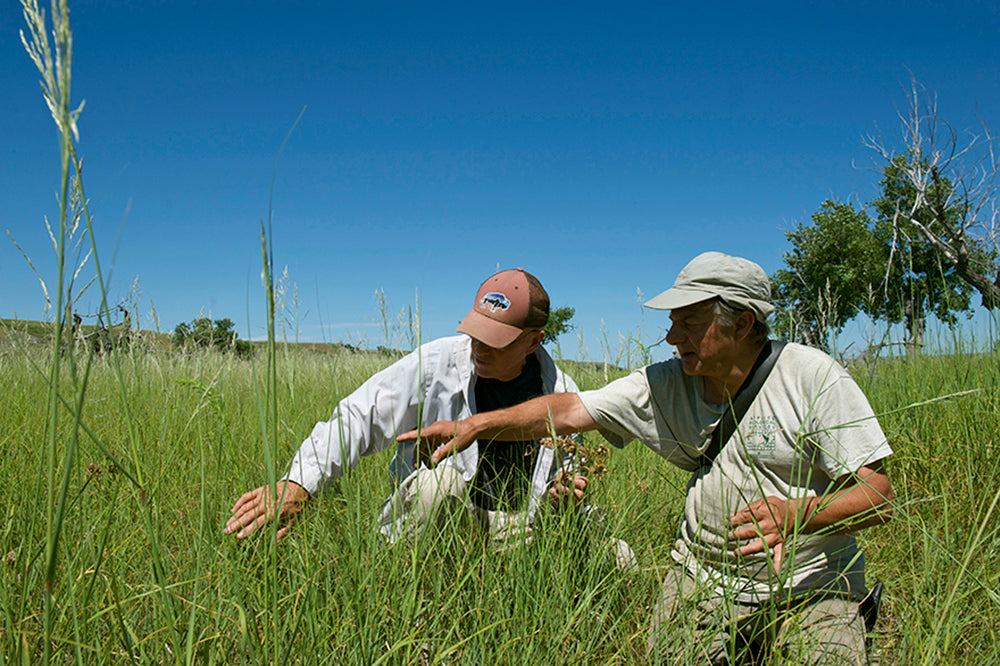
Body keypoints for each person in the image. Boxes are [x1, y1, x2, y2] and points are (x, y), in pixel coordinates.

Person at [400, 252, 894, 664]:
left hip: (809, 583)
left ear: (743, 323)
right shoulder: (664, 383)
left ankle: (844, 619)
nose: (672, 337)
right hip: (701, 576)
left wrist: (800, 515)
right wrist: (474, 426)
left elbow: (880, 495)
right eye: (672, 324)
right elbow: (570, 410)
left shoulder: (813, 378)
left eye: (690, 325)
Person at [224, 268, 588, 545]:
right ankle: (416, 617)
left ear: (533, 341)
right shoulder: (438, 363)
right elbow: (358, 417)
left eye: (498, 342)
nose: (479, 348)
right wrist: (298, 483)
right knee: (438, 484)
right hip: (450, 522)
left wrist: (565, 494)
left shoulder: (562, 393)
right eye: (477, 333)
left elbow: (567, 480)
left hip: (522, 531)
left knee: (619, 554)